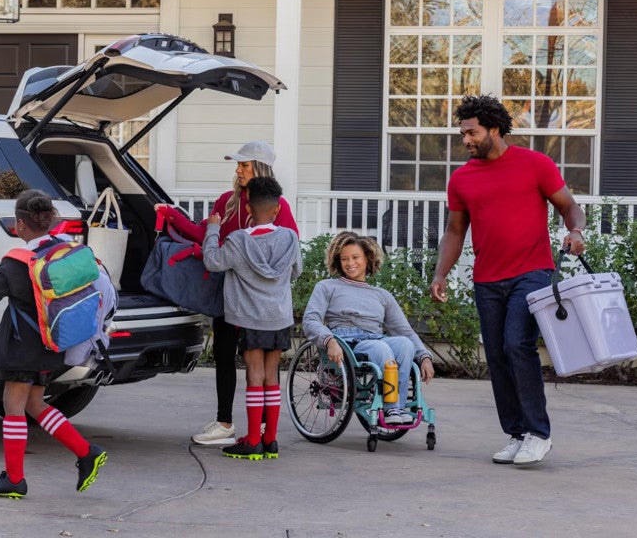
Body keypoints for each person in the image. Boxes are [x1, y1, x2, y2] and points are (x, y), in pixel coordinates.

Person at [429, 94, 586, 466]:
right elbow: (454, 232)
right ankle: (517, 434)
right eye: (463, 133)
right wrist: (440, 273)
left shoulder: (535, 164)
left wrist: (576, 231)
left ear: (494, 129)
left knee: (518, 344)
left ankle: (538, 433)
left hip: (532, 272)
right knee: (497, 355)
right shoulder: (462, 178)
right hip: (487, 279)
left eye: (471, 132)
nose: (465, 140)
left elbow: (568, 206)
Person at [155, 140, 299, 446]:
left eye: (244, 165)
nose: (238, 170)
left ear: (260, 167)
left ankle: (257, 432)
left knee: (255, 369)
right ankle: (227, 424)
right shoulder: (227, 200)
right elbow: (204, 231)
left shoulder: (278, 206)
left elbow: (282, 250)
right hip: (230, 297)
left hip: (257, 303)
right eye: (238, 165)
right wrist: (172, 216)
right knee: (224, 356)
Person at [0, 189, 108, 499]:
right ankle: (86, 452)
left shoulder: (16, 262)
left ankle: (14, 479)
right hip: (54, 341)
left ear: (20, 225)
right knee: (35, 404)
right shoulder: (63, 251)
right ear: (48, 221)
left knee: (13, 406)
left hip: (22, 345)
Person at [201, 177, 302, 459]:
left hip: (251, 319)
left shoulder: (237, 242)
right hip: (279, 318)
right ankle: (270, 440)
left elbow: (212, 261)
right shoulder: (290, 238)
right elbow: (296, 272)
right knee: (271, 377)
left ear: (248, 209)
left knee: (254, 377)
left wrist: (212, 229)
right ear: (276, 210)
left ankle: (252, 440)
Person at [302, 232, 435, 424]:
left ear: (367, 258)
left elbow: (404, 330)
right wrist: (328, 339)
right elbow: (311, 320)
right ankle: (391, 410)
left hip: (375, 338)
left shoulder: (382, 295)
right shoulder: (327, 287)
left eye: (355, 257)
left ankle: (397, 408)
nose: (350, 263)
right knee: (382, 349)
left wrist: (424, 357)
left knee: (405, 344)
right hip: (346, 342)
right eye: (344, 259)